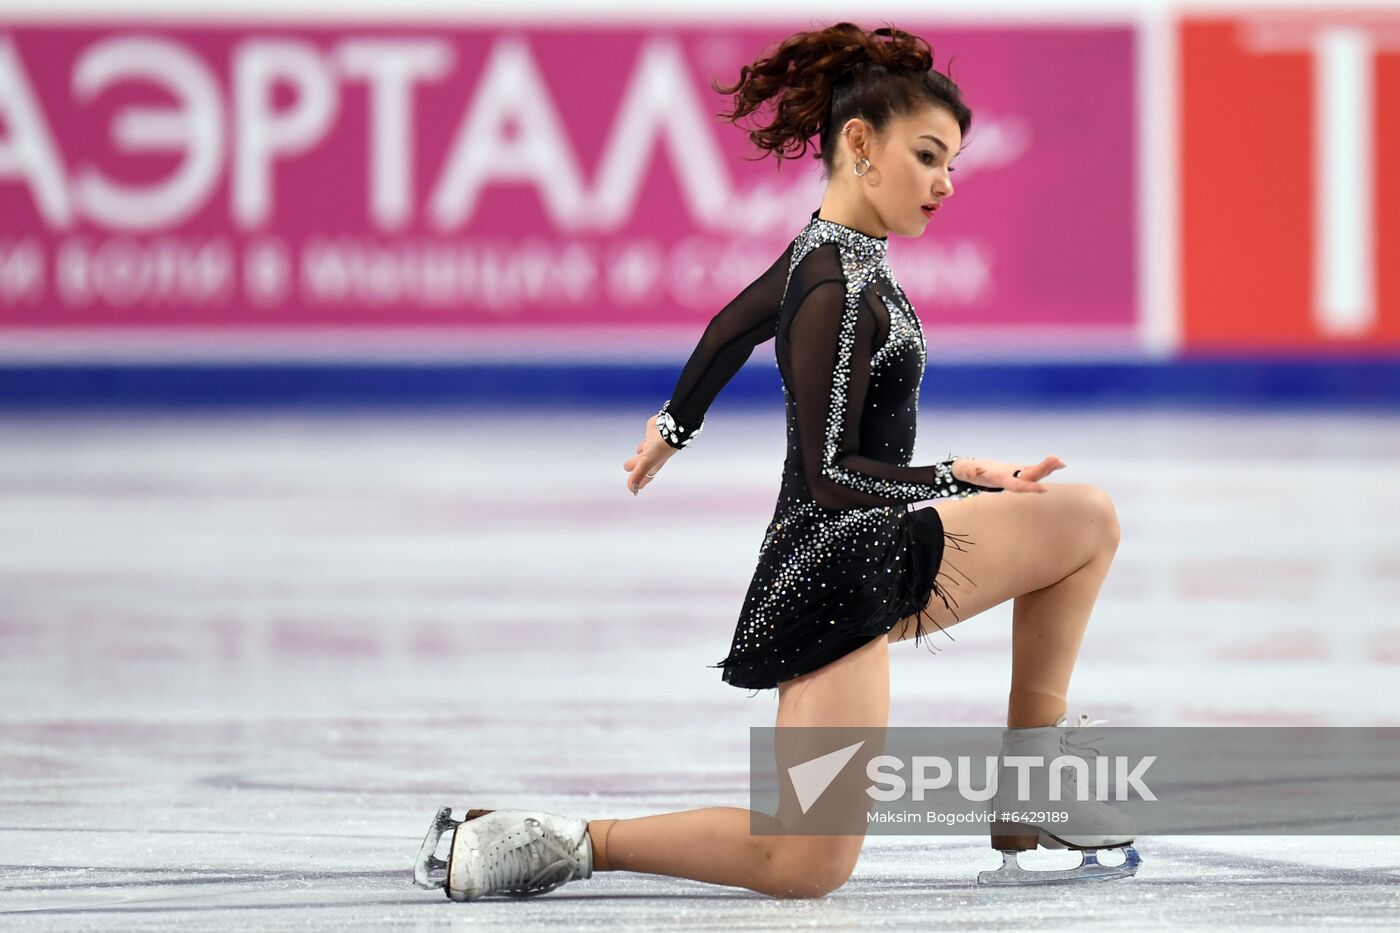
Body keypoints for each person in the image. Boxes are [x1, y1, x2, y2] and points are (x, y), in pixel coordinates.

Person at [412, 21, 1137, 900]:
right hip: (831, 576)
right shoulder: (834, 283)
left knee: (1085, 520)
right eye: (929, 155)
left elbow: (729, 326)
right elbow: (833, 477)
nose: (946, 183)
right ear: (861, 145)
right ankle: (557, 840)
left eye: (953, 162)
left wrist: (672, 428)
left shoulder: (829, 256)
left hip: (873, 546)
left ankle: (1030, 794)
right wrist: (959, 474)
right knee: (807, 861)